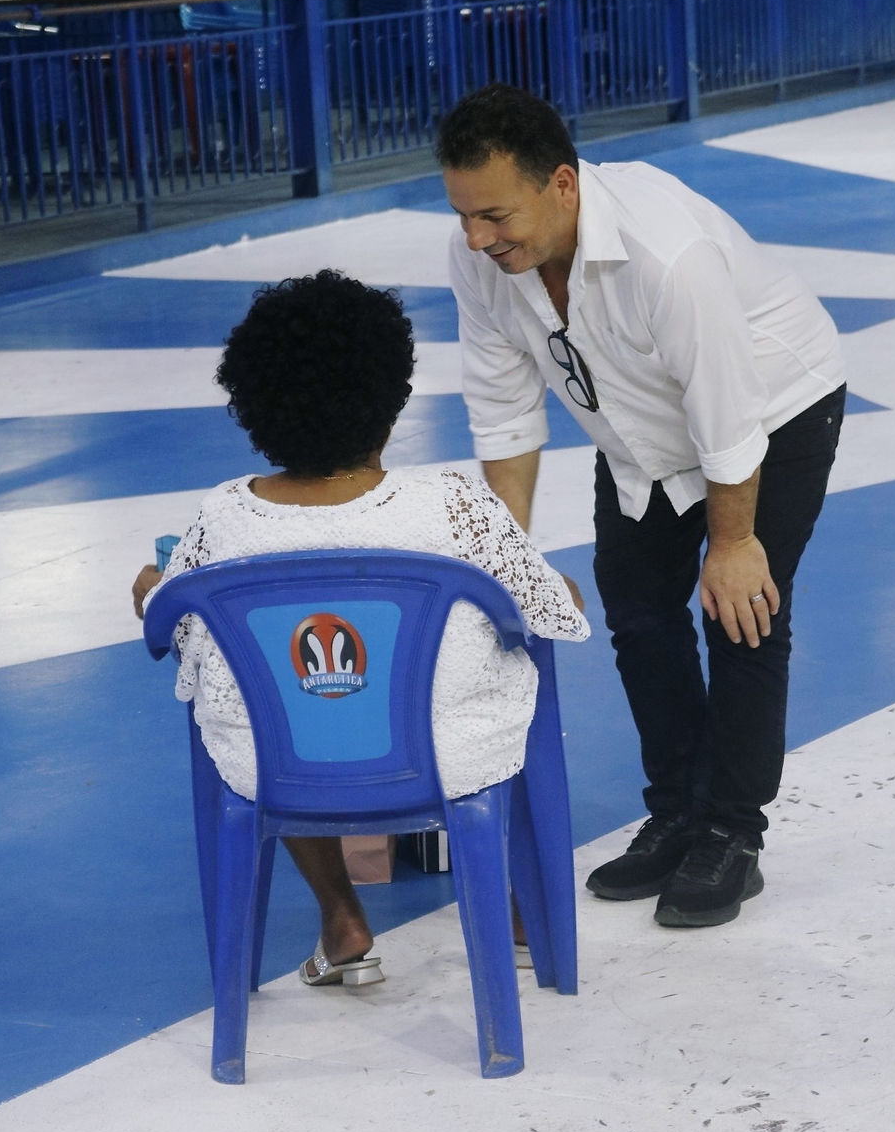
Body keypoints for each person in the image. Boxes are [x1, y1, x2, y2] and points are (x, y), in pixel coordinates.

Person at [435, 83, 846, 929]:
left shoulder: (668, 252)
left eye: (496, 217)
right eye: (466, 217)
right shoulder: (480, 257)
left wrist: (732, 545)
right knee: (636, 610)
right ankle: (679, 812)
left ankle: (733, 832)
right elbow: (505, 406)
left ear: (563, 184)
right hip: (639, 430)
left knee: (742, 613)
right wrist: (509, 557)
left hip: (773, 406)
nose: (478, 239)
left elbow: (725, 408)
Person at [132, 270, 589, 986]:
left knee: (269, 711)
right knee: (510, 682)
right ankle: (519, 906)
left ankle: (340, 913)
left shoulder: (221, 519)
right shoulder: (455, 508)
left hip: (283, 775)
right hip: (445, 761)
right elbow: (557, 610)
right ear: (393, 400)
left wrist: (155, 590)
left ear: (253, 405)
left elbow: (172, 629)